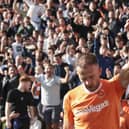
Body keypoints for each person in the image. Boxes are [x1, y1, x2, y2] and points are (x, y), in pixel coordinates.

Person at [63, 53, 129, 129]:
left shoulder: (113, 86)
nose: (88, 82)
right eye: (83, 78)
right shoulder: (70, 97)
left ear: (100, 71)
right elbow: (67, 127)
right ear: (78, 75)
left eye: (91, 77)